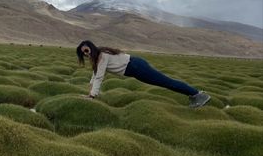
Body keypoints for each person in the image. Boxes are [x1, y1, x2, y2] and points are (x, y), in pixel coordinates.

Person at [76, 40, 211, 108]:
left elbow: (99, 77)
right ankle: (194, 95)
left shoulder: (102, 56)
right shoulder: (98, 58)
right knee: (164, 82)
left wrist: (92, 96)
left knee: (165, 81)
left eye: (86, 51)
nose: (86, 54)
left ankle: (198, 94)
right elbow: (95, 76)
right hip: (135, 67)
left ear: (91, 47)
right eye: (83, 53)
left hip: (136, 67)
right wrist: (89, 94)